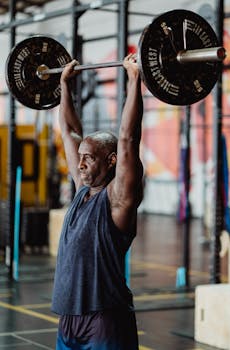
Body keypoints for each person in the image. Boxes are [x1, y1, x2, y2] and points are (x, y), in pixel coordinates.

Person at [51, 53, 144, 350]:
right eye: (80, 158)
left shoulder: (118, 200)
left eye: (88, 158)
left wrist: (134, 79)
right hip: (69, 317)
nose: (79, 165)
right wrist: (64, 85)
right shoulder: (82, 189)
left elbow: (128, 139)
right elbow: (68, 131)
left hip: (104, 319)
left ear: (111, 160)